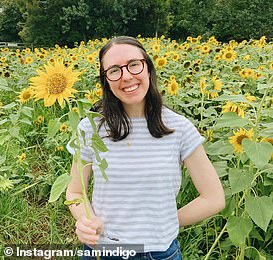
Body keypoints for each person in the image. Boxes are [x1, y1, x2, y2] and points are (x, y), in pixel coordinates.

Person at [66, 36, 225, 259]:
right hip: (104, 250)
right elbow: (74, 191)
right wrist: (85, 220)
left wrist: (165, 223)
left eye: (133, 65)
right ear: (106, 81)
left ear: (148, 68)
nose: (127, 76)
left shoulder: (179, 128)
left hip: (159, 253)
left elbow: (214, 198)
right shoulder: (91, 127)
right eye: (114, 70)